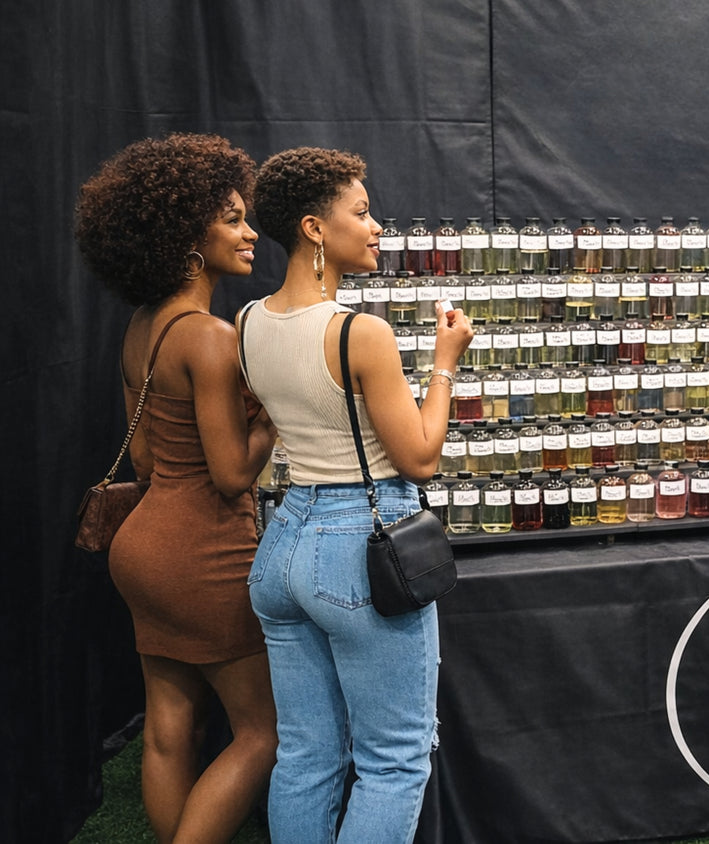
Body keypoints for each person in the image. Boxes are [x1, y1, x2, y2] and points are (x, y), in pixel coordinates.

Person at [240, 147, 472, 843]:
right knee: (394, 760)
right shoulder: (358, 332)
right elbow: (420, 458)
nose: (376, 228)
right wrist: (445, 365)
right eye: (362, 212)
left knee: (306, 755)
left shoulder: (248, 321)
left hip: (283, 545)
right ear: (314, 228)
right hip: (358, 551)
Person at [73, 133, 278, 843]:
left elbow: (147, 459)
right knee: (262, 732)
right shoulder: (210, 336)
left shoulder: (143, 327)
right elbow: (231, 474)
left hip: (142, 548)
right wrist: (271, 418)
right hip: (203, 554)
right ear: (188, 237)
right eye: (232, 219)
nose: (250, 233)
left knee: (169, 729)